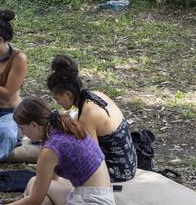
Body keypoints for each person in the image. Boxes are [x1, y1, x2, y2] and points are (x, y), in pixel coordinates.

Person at [46, 54, 137, 183]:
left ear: (68, 94)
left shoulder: (88, 117)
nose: (58, 103)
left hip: (120, 170)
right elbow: (75, 115)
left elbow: (91, 157)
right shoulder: (94, 95)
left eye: (58, 99)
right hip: (131, 159)